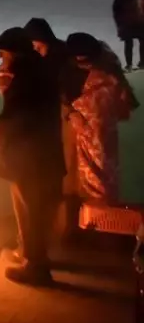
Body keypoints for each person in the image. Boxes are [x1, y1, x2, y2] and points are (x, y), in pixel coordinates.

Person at [0, 27, 64, 285]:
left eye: (3, 53)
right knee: (39, 208)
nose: (1, 58)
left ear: (13, 52)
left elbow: (14, 111)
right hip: (46, 152)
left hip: (28, 155)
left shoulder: (23, 75)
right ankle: (34, 254)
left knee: (29, 208)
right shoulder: (41, 68)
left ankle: (35, 267)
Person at [24, 18, 86, 236]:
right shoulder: (46, 56)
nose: (34, 49)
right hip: (54, 122)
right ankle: (60, 224)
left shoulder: (60, 59)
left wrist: (68, 108)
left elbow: (68, 89)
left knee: (68, 174)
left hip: (66, 120)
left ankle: (67, 227)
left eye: (35, 44)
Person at [65, 32, 138, 204]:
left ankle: (99, 213)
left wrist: (74, 114)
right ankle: (101, 207)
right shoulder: (106, 65)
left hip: (96, 127)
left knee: (98, 171)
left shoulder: (101, 77)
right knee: (104, 168)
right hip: (100, 127)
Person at [111, 0, 144, 70]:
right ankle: (142, 63)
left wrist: (119, 23)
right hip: (139, 21)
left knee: (129, 43)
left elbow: (116, 8)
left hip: (127, 22)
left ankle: (129, 64)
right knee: (142, 42)